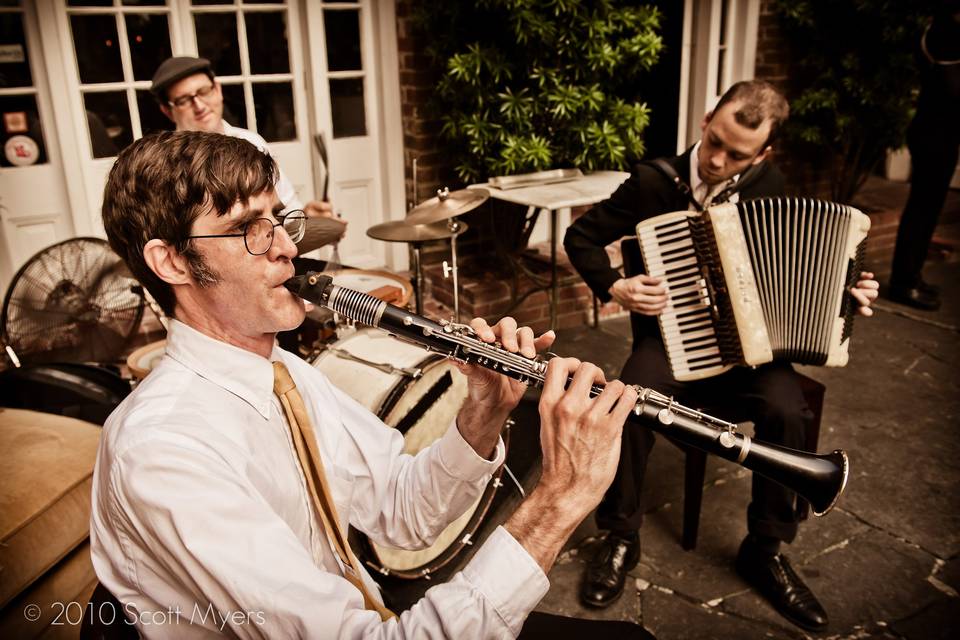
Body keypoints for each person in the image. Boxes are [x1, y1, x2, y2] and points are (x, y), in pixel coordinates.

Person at [92, 130, 653, 639]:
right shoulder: (163, 452)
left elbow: (404, 513)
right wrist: (559, 500)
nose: (290, 247)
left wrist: (483, 411)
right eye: (248, 230)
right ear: (172, 262)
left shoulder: (288, 376)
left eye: (279, 220)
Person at [564, 80, 879, 633]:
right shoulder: (651, 182)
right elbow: (581, 238)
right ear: (707, 118)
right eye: (714, 140)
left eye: (736, 154)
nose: (716, 159)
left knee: (786, 408)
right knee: (628, 399)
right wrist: (616, 286)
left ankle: (766, 548)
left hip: (751, 356)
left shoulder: (770, 185)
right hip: (666, 342)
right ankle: (620, 534)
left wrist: (845, 295)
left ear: (762, 154)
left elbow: (806, 270)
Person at [150, 56, 337, 224]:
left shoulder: (253, 143)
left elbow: (288, 212)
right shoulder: (162, 164)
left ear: (218, 90)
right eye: (184, 100)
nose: (199, 106)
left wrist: (307, 217)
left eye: (204, 91)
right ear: (167, 111)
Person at [888, 4, 960, 311]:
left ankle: (911, 275)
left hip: (937, 131)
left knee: (928, 208)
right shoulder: (945, 33)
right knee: (922, 208)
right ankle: (904, 281)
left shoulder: (939, 29)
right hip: (934, 133)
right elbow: (954, 91)